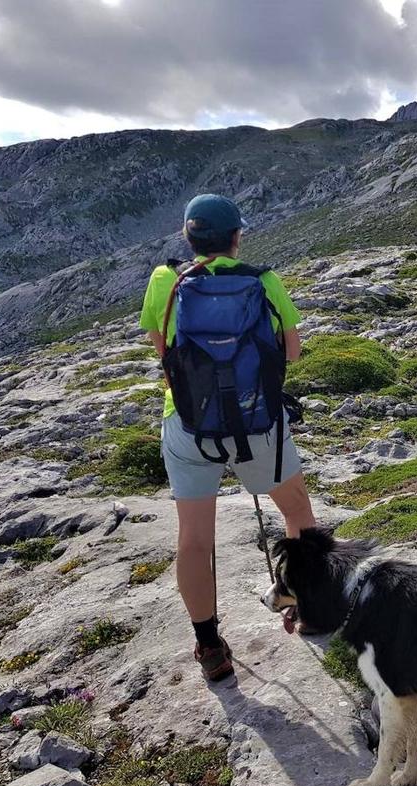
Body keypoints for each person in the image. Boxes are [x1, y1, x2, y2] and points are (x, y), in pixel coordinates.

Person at [140, 194, 316, 681]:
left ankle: (210, 646)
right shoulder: (263, 281)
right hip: (257, 421)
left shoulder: (164, 282)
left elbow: (165, 354)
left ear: (187, 237)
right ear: (237, 237)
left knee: (195, 539)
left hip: (189, 425)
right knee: (298, 513)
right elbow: (293, 353)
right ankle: (303, 606)